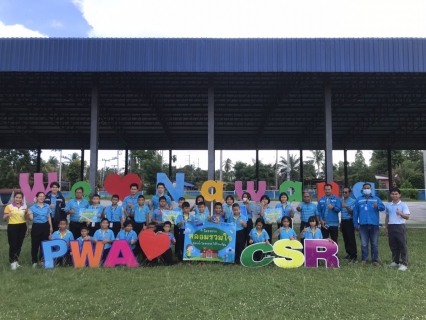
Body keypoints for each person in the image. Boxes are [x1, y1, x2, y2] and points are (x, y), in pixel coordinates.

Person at [353, 183, 385, 266]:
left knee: (374, 243)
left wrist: (377, 206)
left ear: (371, 189)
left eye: (368, 188)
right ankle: (364, 259)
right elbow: (355, 212)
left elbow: (383, 208)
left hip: (374, 224)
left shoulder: (376, 199)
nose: (366, 189)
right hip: (363, 225)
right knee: (364, 243)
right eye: (365, 188)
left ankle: (375, 260)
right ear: (362, 190)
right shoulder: (359, 200)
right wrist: (355, 224)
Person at [385, 188, 410, 271]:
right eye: (393, 194)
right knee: (393, 245)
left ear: (399, 195)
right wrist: (386, 227)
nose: (394, 195)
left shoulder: (403, 205)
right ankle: (396, 261)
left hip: (400, 226)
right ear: (390, 195)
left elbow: (407, 217)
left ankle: (404, 263)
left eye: (396, 194)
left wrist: (400, 213)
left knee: (402, 245)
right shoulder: (388, 205)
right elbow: (387, 217)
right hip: (391, 226)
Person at [3, 192, 29, 270]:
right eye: (17, 197)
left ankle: (16, 261)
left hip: (22, 226)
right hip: (12, 226)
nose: (18, 199)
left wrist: (27, 229)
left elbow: (26, 219)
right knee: (13, 245)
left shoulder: (25, 206)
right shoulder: (9, 207)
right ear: (14, 198)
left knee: (19, 245)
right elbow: (4, 219)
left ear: (22, 198)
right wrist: (7, 215)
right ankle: (12, 262)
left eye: (20, 198)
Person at [27, 192, 53, 268]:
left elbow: (49, 217)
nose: (42, 197)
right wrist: (28, 214)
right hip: (36, 226)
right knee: (35, 245)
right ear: (37, 197)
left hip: (45, 226)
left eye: (43, 196)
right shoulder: (32, 208)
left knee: (44, 244)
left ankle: (42, 260)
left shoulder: (47, 206)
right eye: (40, 196)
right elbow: (31, 218)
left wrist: (50, 226)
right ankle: (34, 261)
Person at [340, 187, 357, 263]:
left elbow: (352, 212)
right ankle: (349, 254)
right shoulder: (342, 201)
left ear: (349, 193)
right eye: (343, 192)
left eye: (346, 192)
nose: (344, 194)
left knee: (351, 239)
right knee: (345, 239)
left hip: (350, 221)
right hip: (343, 221)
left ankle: (354, 256)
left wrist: (346, 206)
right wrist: (340, 224)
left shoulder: (353, 201)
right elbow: (341, 214)